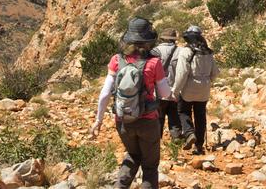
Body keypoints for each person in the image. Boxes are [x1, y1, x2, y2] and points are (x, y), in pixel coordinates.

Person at [91, 17, 171, 189]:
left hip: (123, 120)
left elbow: (105, 94)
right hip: (148, 120)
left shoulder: (117, 60)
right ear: (148, 41)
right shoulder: (154, 62)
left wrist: (98, 121)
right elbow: (165, 93)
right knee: (149, 165)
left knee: (133, 155)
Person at [172, 26, 219, 155]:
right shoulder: (208, 52)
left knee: (183, 111)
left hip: (189, 88)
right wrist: (207, 81)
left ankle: (189, 133)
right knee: (200, 115)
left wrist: (175, 91)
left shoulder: (186, 52)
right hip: (204, 88)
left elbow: (181, 73)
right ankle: (199, 145)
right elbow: (215, 72)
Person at [150, 29, 182, 139]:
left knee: (159, 116)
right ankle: (176, 137)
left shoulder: (155, 51)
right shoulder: (181, 51)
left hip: (158, 90)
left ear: (162, 38)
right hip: (175, 90)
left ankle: (156, 140)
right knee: (174, 115)